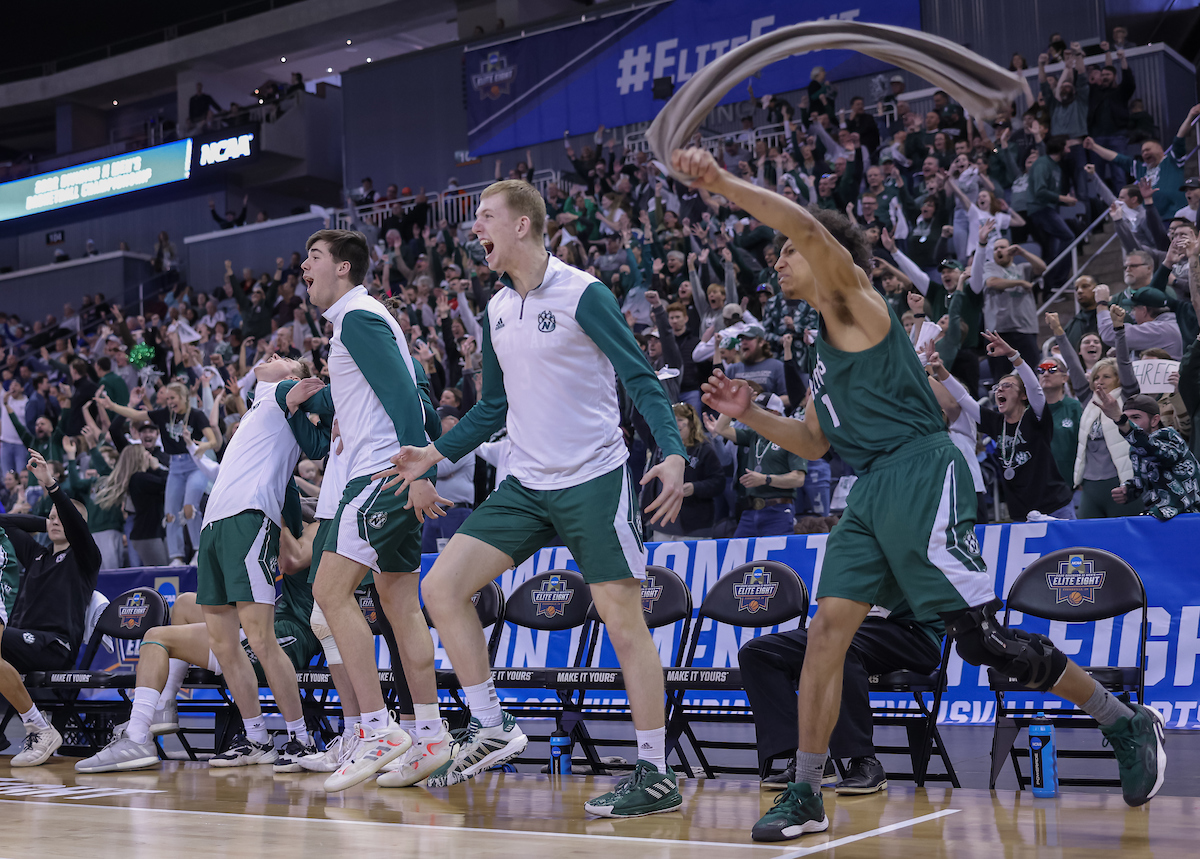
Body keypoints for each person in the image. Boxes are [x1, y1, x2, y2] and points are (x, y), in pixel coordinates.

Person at [670, 146, 1165, 843]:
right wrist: (749, 410)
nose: (779, 259)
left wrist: (721, 183)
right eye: (778, 251)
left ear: (829, 255)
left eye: (788, 249)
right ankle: (807, 791)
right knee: (824, 637)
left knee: (985, 643)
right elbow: (813, 442)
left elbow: (813, 231)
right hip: (869, 490)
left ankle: (1123, 718)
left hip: (923, 472)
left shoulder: (857, 302)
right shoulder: (820, 344)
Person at [376, 179, 688, 817]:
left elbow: (640, 378)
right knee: (442, 589)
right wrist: (434, 454)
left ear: (523, 225)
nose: (477, 229)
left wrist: (674, 451)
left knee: (623, 621)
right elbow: (493, 408)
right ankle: (491, 724)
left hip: (595, 477)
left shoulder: (582, 293)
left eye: (487, 217)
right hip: (527, 483)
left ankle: (655, 771)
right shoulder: (495, 309)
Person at [295, 229, 449, 793]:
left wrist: (422, 472)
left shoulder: (358, 317)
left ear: (343, 268)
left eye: (313, 258)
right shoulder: (364, 320)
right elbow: (407, 401)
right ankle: (430, 735)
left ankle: (378, 730)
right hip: (390, 471)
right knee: (399, 603)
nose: (303, 267)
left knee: (330, 594)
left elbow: (409, 400)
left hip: (379, 476)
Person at [192, 354, 316, 768]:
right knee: (225, 645)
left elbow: (312, 388)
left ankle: (301, 738)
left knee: (260, 639)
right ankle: (256, 738)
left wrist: (309, 387)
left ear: (291, 375)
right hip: (212, 524)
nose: (274, 355)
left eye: (285, 357)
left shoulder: (283, 394)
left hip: (249, 518)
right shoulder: (256, 405)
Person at [742, 600, 942, 794]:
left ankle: (864, 761)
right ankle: (808, 761)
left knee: (837, 644)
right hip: (849, 628)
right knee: (757, 652)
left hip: (911, 631)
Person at [0, 450, 101, 766]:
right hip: (25, 642)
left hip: (54, 645)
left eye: (63, 518)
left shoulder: (85, 559)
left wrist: (53, 489)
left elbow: (74, 524)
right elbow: (3, 522)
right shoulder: (37, 554)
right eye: (53, 517)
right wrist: (46, 522)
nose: (57, 521)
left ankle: (40, 729)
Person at [97, 383, 218, 565]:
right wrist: (113, 406)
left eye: (172, 398)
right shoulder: (163, 415)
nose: (169, 402)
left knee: (189, 508)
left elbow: (214, 440)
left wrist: (205, 446)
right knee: (170, 513)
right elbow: (136, 415)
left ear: (183, 397)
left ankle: (198, 550)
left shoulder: (196, 415)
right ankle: (176, 556)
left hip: (194, 464)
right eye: (167, 399)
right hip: (175, 467)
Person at [705, 394, 807, 537]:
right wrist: (733, 403)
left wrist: (766, 479)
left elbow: (798, 478)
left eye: (759, 411)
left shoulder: (792, 437)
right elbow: (721, 429)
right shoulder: (754, 435)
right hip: (750, 511)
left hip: (778, 510)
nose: (754, 415)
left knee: (775, 558)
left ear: (774, 413)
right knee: (740, 556)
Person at [1094, 390, 1200, 520]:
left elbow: (1157, 453)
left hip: (1187, 516)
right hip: (1157, 517)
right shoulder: (1136, 448)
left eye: (1136, 417)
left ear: (1155, 420)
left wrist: (1121, 420)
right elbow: (1145, 479)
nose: (1131, 423)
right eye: (1128, 418)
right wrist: (1128, 489)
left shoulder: (1170, 437)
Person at [643, 403, 723, 541]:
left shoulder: (704, 449)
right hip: (662, 524)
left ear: (691, 423)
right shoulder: (661, 447)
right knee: (661, 562)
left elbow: (719, 482)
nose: (676, 424)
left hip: (694, 526)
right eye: (672, 419)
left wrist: (694, 488)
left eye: (680, 419)